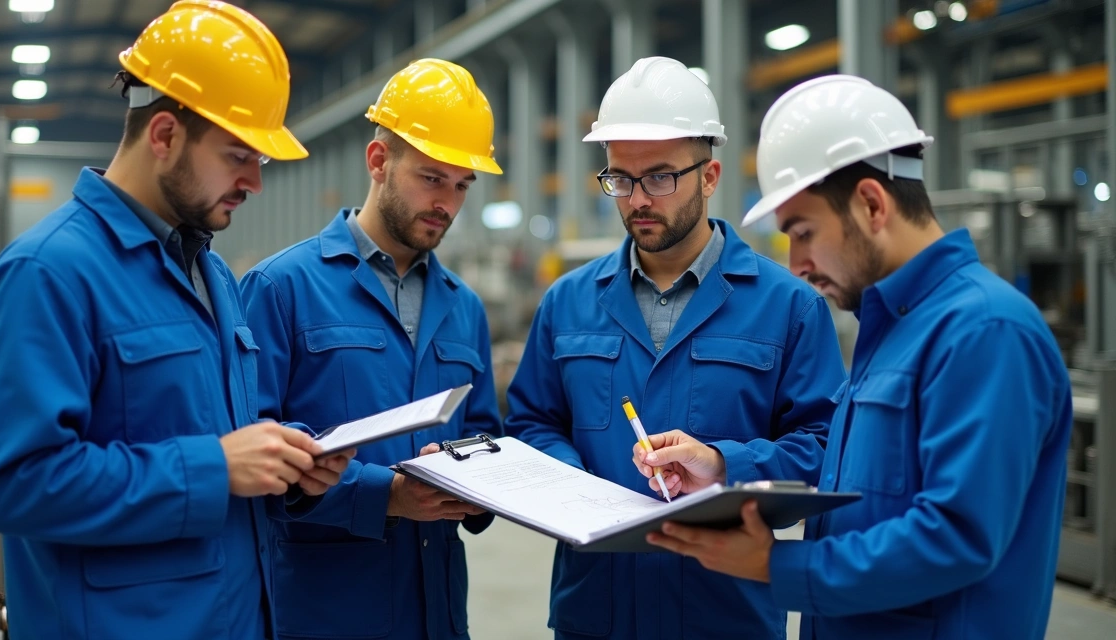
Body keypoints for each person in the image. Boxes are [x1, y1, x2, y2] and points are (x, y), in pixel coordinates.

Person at [0, 3, 353, 639]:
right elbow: (14, 485)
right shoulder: (47, 274)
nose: (254, 181)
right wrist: (214, 467)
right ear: (165, 135)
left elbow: (221, 439)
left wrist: (289, 467)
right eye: (238, 156)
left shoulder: (212, 274)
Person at [640, 74, 1072, 639]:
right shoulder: (891, 330)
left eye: (803, 232)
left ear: (871, 204)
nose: (795, 264)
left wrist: (775, 565)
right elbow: (850, 487)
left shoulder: (984, 331)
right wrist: (725, 467)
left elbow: (956, 535)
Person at [503, 56, 845, 639]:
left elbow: (826, 447)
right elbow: (533, 423)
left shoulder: (789, 307)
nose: (637, 199)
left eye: (660, 177)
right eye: (620, 179)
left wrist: (723, 466)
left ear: (709, 176)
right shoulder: (567, 303)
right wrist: (572, 489)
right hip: (595, 612)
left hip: (724, 614)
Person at [238, 58, 503, 640]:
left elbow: (486, 435)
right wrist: (388, 495)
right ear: (379, 161)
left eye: (462, 185)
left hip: (437, 609)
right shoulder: (282, 288)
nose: (447, 204)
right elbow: (248, 451)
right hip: (324, 610)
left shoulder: (465, 309)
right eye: (432, 177)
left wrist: (477, 485)